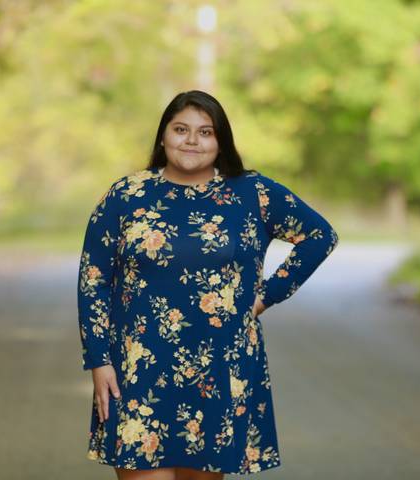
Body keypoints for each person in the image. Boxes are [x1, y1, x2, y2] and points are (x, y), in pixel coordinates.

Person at [77, 90, 339, 479]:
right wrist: (98, 359)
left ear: (221, 142)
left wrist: (267, 295)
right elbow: (93, 278)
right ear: (163, 136)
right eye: (181, 129)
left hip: (220, 363)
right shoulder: (126, 195)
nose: (192, 141)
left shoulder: (252, 193)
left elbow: (320, 235)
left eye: (206, 132)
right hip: (138, 368)